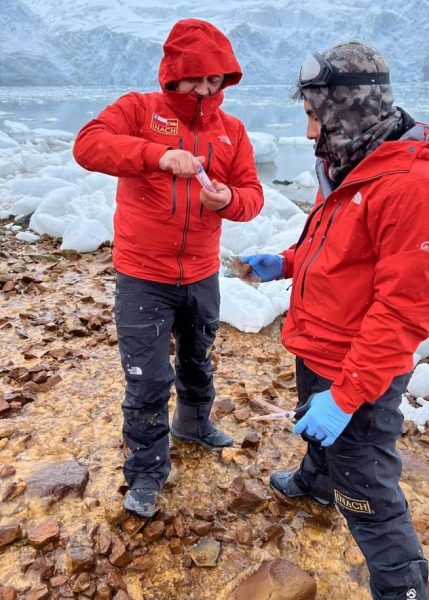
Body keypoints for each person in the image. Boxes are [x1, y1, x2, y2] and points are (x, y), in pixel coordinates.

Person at [242, 42, 429, 600]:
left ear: (348, 109)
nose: (310, 133)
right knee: (316, 429)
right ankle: (316, 483)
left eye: (315, 117)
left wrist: (346, 397)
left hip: (359, 370)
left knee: (369, 492)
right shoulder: (358, 165)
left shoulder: (412, 187)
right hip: (322, 350)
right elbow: (346, 255)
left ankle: (402, 588)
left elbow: (402, 312)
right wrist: (287, 263)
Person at [73, 19, 263, 518]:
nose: (205, 88)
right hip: (143, 274)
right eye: (196, 77)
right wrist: (157, 156)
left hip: (201, 272)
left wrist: (229, 200)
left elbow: (252, 196)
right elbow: (88, 145)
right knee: (148, 380)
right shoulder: (139, 109)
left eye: (215, 79)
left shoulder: (233, 131)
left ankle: (193, 424)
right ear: (173, 74)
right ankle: (146, 472)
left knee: (199, 358)